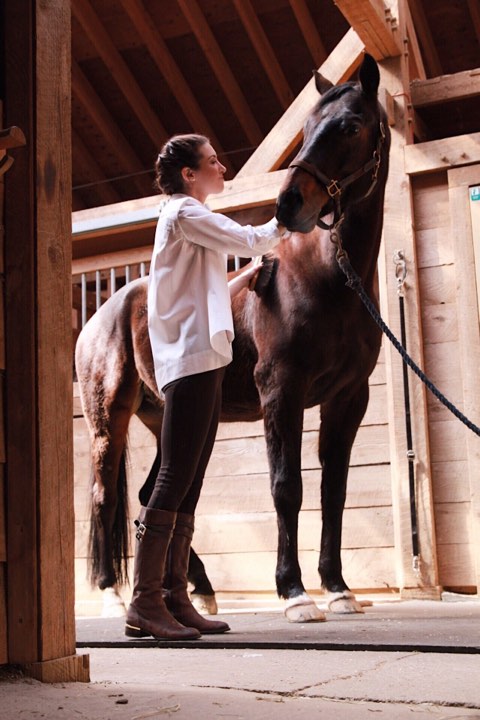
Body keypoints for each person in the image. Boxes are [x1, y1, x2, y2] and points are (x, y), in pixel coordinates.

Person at [125, 134, 291, 641]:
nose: (223, 165)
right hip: (192, 357)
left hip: (205, 356)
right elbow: (250, 237)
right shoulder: (183, 213)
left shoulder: (189, 226)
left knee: (189, 478)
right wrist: (287, 213)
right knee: (176, 473)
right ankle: (144, 601)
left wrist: (248, 277)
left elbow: (211, 288)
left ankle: (175, 597)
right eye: (213, 160)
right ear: (190, 175)